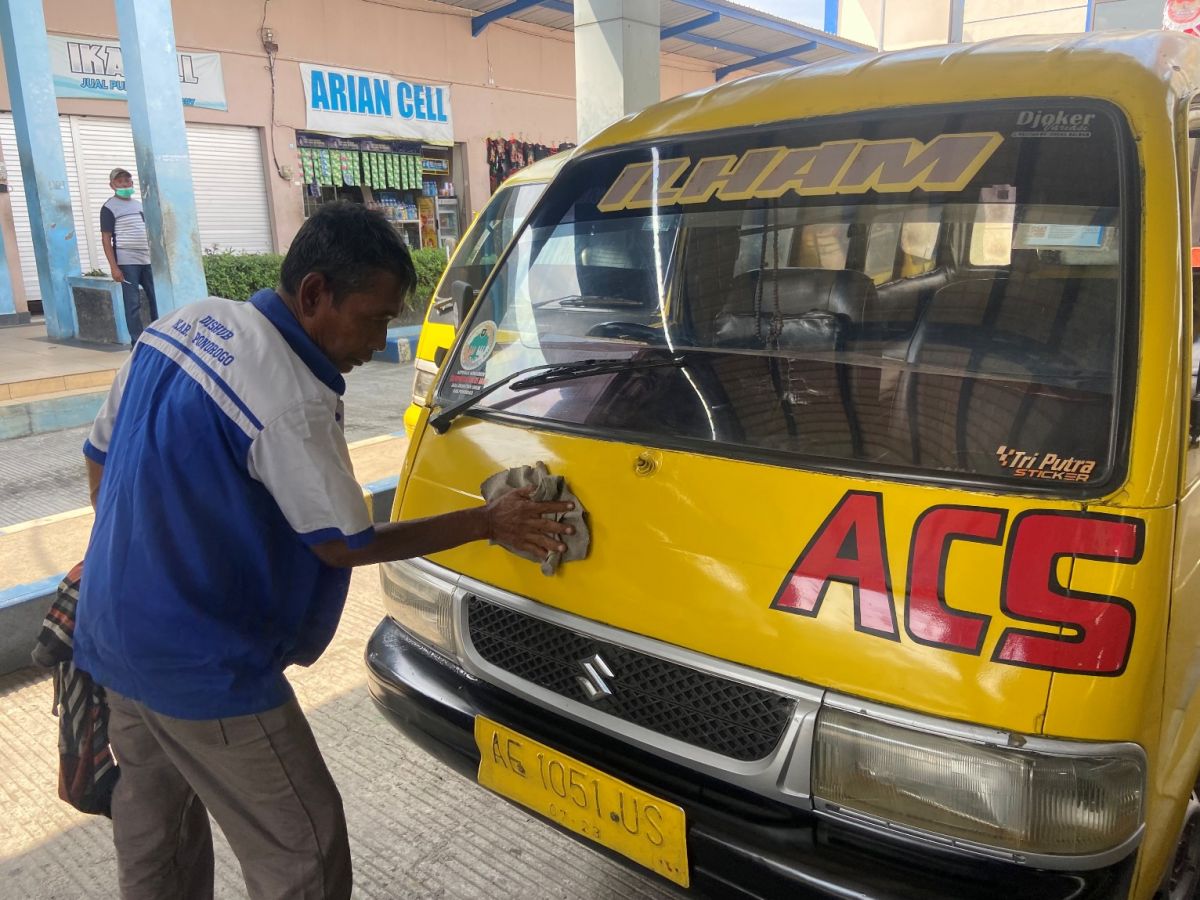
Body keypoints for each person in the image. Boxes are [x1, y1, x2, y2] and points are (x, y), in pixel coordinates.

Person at [73, 200, 574, 900]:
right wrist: (487, 522)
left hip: (109, 634)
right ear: (314, 295)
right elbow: (344, 542)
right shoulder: (288, 393)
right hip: (201, 666)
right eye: (373, 318)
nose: (378, 340)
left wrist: (140, 559)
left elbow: (98, 458)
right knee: (302, 850)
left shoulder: (179, 325)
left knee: (158, 841)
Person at [100, 167, 158, 346]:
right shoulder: (109, 207)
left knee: (156, 298)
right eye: (120, 181)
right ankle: (137, 342)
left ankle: (158, 338)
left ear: (132, 183)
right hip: (127, 262)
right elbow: (106, 239)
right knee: (133, 304)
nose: (124, 184)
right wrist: (114, 267)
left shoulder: (139, 205)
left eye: (127, 181)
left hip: (147, 259)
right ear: (112, 185)